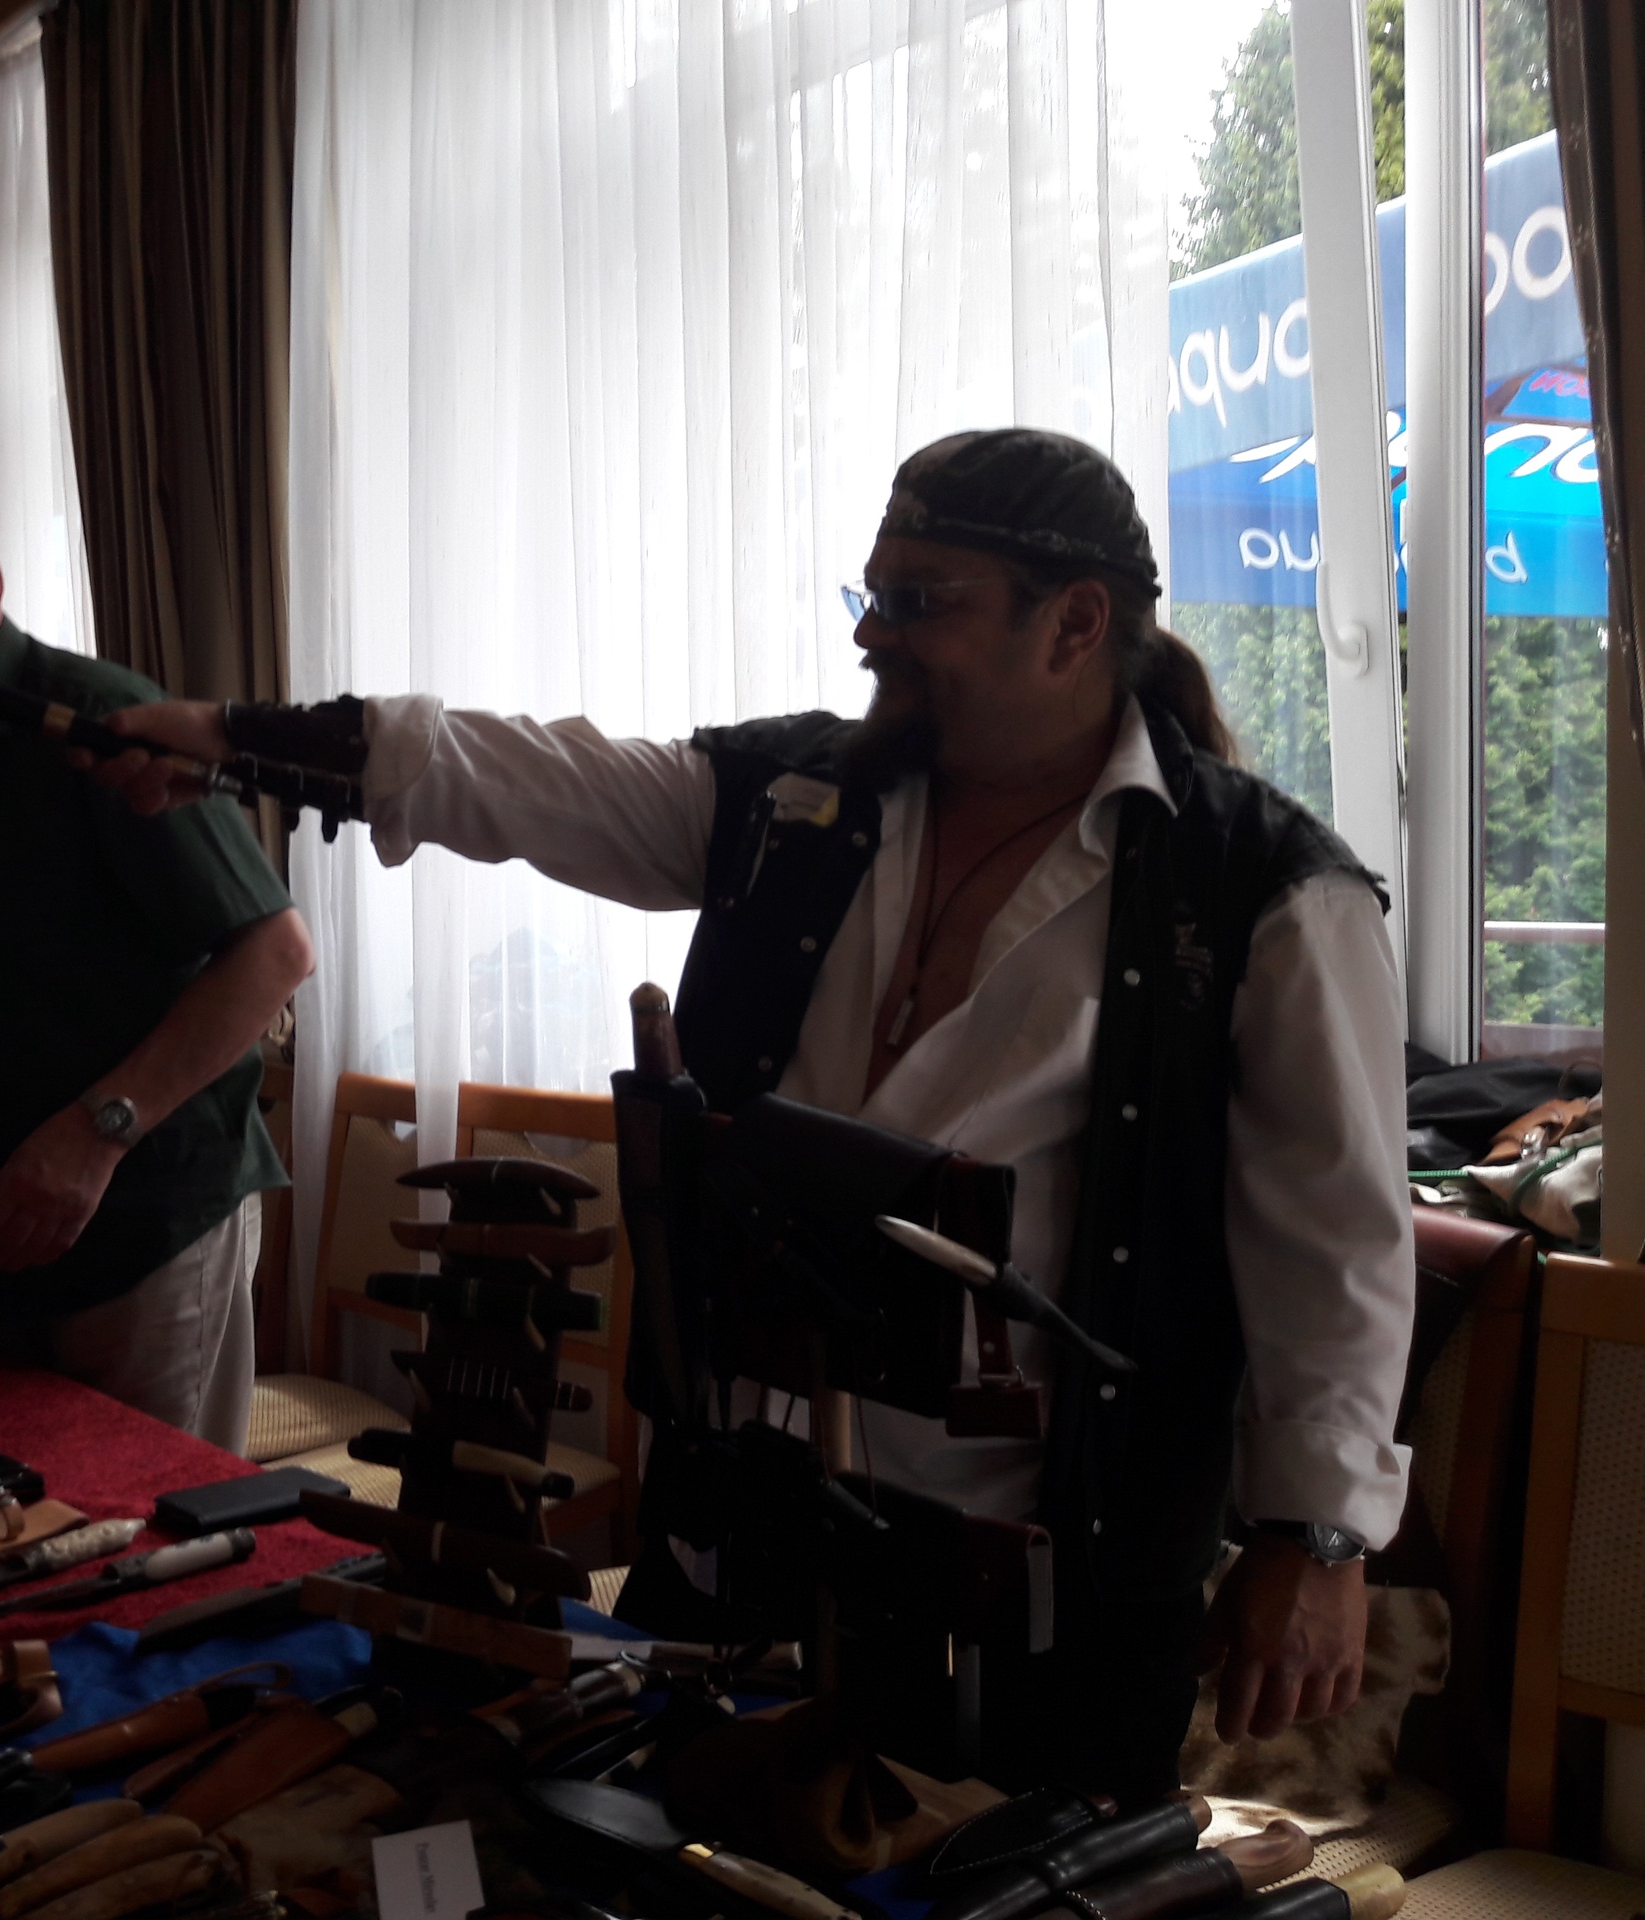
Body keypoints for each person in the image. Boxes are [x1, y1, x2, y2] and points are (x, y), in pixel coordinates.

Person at [92, 429, 1413, 1793]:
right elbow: (525, 774)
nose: (872, 636)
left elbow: (1334, 1240)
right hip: (742, 1521)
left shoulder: (1263, 891)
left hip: (1043, 1579)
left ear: (1074, 624)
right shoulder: (797, 803)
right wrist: (240, 741)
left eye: (919, 601)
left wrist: (1316, 1538)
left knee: (983, 1870)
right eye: (870, 595)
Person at [0, 470, 313, 1451]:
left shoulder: (100, 723)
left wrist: (96, 1133)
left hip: (145, 1221)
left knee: (150, 1517)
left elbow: (275, 952)